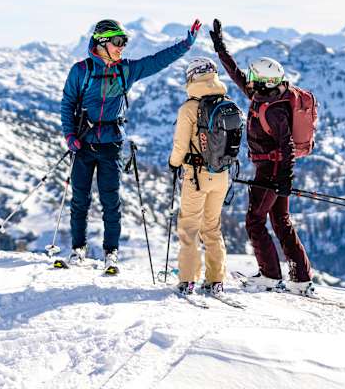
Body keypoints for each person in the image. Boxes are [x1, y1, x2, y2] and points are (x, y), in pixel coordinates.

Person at [61, 18, 201, 274]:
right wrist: (70, 136)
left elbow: (157, 61)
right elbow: (67, 104)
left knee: (111, 201)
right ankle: (78, 249)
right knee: (80, 200)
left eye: (124, 42)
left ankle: (110, 252)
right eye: (117, 42)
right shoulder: (80, 71)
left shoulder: (125, 70)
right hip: (83, 144)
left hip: (111, 144)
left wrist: (186, 45)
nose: (121, 47)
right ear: (102, 42)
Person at [209, 18, 313, 291]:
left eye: (255, 77)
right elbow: (236, 75)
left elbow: (286, 145)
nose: (250, 80)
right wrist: (221, 49)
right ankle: (300, 279)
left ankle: (269, 275)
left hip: (271, 172)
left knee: (255, 220)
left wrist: (284, 180)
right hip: (271, 171)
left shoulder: (275, 109)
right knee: (280, 221)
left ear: (265, 81)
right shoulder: (261, 96)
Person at [168, 57, 230, 295]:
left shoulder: (189, 108)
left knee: (189, 228)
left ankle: (188, 280)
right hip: (221, 175)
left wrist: (174, 164)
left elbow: (180, 145)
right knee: (212, 228)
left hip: (196, 176)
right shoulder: (226, 102)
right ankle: (216, 280)